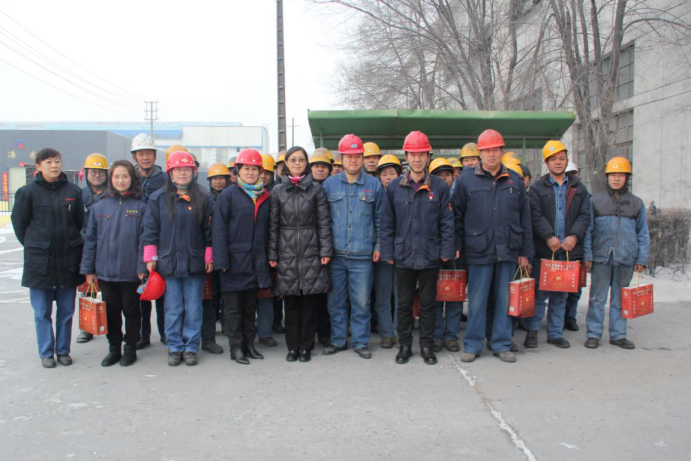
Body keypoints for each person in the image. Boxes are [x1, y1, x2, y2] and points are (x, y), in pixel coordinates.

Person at [453, 130, 533, 364]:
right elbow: (456, 216)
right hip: (478, 249)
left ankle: (501, 343)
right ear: (480, 153)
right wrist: (457, 247)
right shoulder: (465, 180)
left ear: (501, 151)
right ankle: (473, 344)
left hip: (508, 249)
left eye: (495, 150)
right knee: (477, 301)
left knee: (503, 300)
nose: (491, 155)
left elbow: (525, 218)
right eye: (486, 151)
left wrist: (525, 252)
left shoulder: (514, 180)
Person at [381, 131, 456, 366]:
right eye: (413, 154)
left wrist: (446, 250)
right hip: (403, 254)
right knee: (404, 303)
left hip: (429, 254)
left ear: (428, 156)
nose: (417, 159)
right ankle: (404, 345)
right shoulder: (394, 187)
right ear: (406, 157)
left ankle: (426, 345)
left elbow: (447, 221)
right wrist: (388, 252)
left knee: (428, 303)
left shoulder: (439, 186)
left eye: (421, 154)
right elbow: (387, 222)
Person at [11, 148, 85, 368]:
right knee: (42, 312)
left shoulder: (73, 191)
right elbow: (19, 225)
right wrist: (36, 245)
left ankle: (63, 350)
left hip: (67, 261)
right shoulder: (28, 193)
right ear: (38, 166)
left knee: (66, 311)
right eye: (49, 162)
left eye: (57, 161)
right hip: (40, 263)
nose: (54, 166)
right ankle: (46, 352)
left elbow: (79, 223)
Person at [142, 151, 214, 367]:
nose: (183, 173)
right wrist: (150, 256)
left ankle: (191, 347)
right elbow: (150, 230)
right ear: (170, 173)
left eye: (187, 169)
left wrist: (209, 255)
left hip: (195, 262)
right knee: (173, 308)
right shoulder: (157, 199)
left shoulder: (203, 197)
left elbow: (209, 230)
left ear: (193, 172)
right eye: (178, 170)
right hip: (168, 262)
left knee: (193, 308)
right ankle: (174, 347)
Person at [268, 147, 333, 363]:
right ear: (286, 163)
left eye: (301, 160)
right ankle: (292, 347)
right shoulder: (278, 191)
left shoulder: (316, 190)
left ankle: (306, 347)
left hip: (311, 251)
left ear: (306, 163)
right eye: (293, 160)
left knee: (309, 303)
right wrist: (272, 253)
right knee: (291, 303)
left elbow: (324, 222)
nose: (297, 163)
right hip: (286, 253)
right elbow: (273, 225)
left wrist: (325, 250)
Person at [524, 141, 591, 350]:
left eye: (562, 158)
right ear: (546, 163)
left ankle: (555, 334)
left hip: (568, 252)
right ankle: (532, 331)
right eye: (553, 159)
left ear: (567, 160)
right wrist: (548, 236)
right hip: (546, 250)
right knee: (539, 294)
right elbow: (534, 214)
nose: (558, 162)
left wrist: (574, 236)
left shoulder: (579, 188)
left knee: (561, 295)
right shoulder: (537, 188)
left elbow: (584, 215)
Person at [81, 161, 147, 367]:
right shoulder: (99, 207)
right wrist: (89, 270)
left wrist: (142, 266)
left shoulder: (141, 206)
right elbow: (91, 240)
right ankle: (114, 349)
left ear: (132, 179)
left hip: (131, 272)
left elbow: (145, 240)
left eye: (125, 176)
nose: (121, 180)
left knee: (132, 311)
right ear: (111, 179)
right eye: (116, 176)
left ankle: (130, 348)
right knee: (111, 312)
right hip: (106, 271)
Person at [322, 135, 383, 360]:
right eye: (349, 156)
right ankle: (338, 340)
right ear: (341, 158)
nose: (353, 160)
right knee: (335, 302)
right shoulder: (329, 185)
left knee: (362, 302)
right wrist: (324, 250)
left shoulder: (374, 185)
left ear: (363, 157)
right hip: (336, 255)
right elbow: (323, 221)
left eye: (357, 156)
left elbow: (380, 219)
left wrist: (378, 245)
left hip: (362, 255)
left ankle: (360, 342)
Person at [584, 157, 650, 350]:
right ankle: (593, 334)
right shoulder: (595, 201)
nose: (616, 178)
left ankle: (618, 335)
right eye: (613, 174)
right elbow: (588, 230)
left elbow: (643, 233)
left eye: (621, 175)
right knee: (597, 297)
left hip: (626, 257)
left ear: (627, 178)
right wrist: (588, 255)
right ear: (607, 177)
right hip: (601, 256)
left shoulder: (636, 204)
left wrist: (642, 258)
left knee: (621, 298)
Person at [213, 150, 271, 365]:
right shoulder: (228, 196)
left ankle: (249, 345)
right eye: (246, 168)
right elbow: (219, 230)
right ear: (237, 171)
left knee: (250, 307)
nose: (250, 172)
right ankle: (236, 347)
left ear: (260, 172)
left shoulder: (264, 196)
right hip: (233, 262)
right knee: (233, 309)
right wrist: (221, 261)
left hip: (255, 262)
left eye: (254, 169)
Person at [132, 134, 167, 350]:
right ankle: (142, 335)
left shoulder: (165, 180)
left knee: (162, 292)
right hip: (135, 243)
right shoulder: (129, 178)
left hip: (161, 242)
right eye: (141, 154)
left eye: (149, 153)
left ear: (155, 156)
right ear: (134, 157)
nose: (145, 157)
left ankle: (165, 333)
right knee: (141, 293)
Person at [429, 158, 464, 353]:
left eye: (447, 175)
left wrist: (456, 246)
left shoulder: (459, 196)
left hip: (457, 255)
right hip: (434, 253)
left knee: (454, 296)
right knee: (434, 297)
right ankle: (436, 335)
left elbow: (461, 225)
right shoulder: (429, 196)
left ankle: (451, 336)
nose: (443, 179)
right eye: (439, 176)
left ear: (453, 176)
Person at [76, 153, 110, 344]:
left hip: (108, 249)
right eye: (93, 172)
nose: (97, 175)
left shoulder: (113, 195)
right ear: (87, 174)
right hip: (86, 249)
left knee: (111, 292)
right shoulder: (80, 196)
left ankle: (111, 327)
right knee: (87, 290)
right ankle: (86, 328)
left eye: (100, 172)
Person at [372, 155, 403, 349]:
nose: (388, 177)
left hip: (402, 253)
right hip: (382, 253)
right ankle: (386, 333)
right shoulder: (376, 195)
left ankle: (400, 332)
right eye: (384, 174)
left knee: (401, 296)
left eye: (392, 173)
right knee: (382, 295)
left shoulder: (405, 193)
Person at [202, 163, 233, 354]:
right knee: (211, 294)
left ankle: (228, 325)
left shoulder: (232, 197)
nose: (218, 181)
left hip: (229, 251)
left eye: (221, 178)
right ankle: (210, 329)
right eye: (215, 178)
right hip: (210, 252)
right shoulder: (205, 199)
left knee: (227, 292)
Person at [308, 149, 334, 347]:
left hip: (329, 249)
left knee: (327, 294)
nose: (320, 169)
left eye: (324, 166)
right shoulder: (304, 188)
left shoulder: (333, 187)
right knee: (311, 295)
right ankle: (310, 333)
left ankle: (325, 333)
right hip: (308, 249)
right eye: (316, 166)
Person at [254, 154, 279, 348]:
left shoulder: (273, 196)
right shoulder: (238, 195)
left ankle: (265, 332)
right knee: (244, 297)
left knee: (265, 295)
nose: (263, 176)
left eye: (267, 173)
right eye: (260, 172)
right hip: (245, 253)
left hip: (266, 252)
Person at [564, 160, 587, 331]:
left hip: (576, 250)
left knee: (575, 289)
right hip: (556, 249)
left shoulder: (582, 193)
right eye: (568, 173)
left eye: (574, 173)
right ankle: (558, 320)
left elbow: (586, 220)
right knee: (557, 289)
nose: (571, 176)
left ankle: (570, 317)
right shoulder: (552, 193)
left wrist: (575, 237)